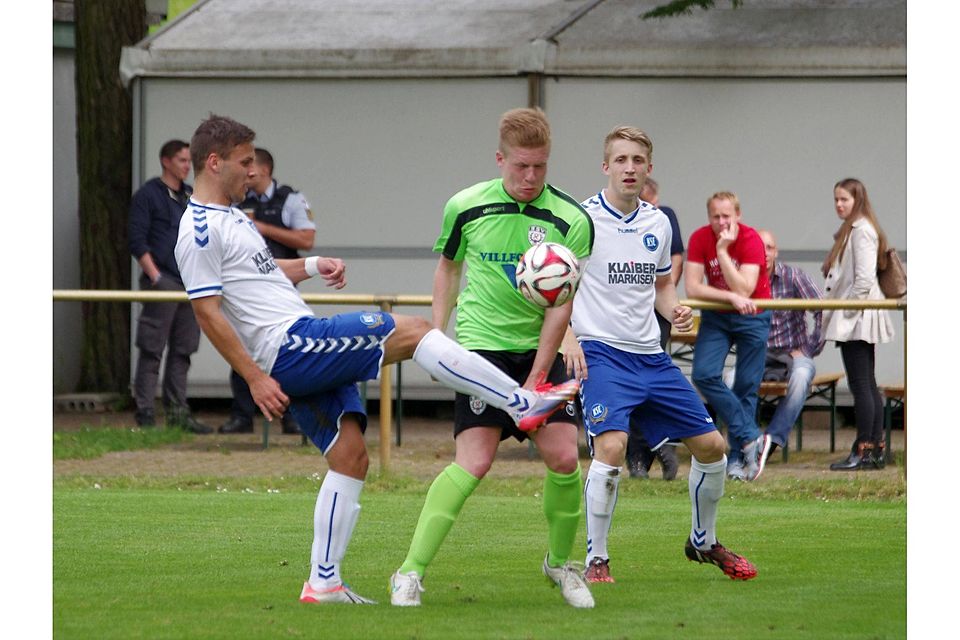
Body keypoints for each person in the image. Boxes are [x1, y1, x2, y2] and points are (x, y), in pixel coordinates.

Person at [174, 114, 579, 605]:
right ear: (213, 163)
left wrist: (310, 265)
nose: (253, 173)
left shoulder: (232, 217)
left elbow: (259, 273)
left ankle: (323, 583)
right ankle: (520, 403)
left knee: (350, 457)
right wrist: (255, 377)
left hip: (293, 348)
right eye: (244, 163)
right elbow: (207, 311)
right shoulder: (196, 230)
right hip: (291, 345)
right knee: (413, 331)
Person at [389, 107, 596, 609]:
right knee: (475, 462)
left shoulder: (571, 218)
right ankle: (409, 572)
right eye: (520, 166)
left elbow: (562, 303)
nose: (530, 178)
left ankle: (560, 565)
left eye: (540, 167)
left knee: (566, 457)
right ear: (500, 158)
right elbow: (447, 268)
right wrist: (438, 338)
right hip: (481, 350)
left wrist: (539, 374)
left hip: (538, 354)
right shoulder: (465, 206)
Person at [566, 125, 757, 584]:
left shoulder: (658, 221)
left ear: (649, 168)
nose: (629, 168)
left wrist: (677, 311)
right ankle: (597, 560)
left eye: (638, 161)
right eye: (621, 160)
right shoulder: (582, 219)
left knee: (713, 447)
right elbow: (560, 286)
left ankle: (703, 542)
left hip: (650, 356)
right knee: (610, 446)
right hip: (602, 352)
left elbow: (662, 288)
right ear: (605, 166)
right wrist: (567, 336)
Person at [219, 147, 317, 435]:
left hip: (280, 288)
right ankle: (242, 415)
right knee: (242, 346)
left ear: (264, 171)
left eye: (252, 169)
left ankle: (292, 416)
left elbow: (306, 239)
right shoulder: (236, 201)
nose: (247, 175)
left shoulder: (291, 200)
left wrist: (260, 227)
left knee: (287, 350)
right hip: (244, 290)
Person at [685, 191, 772, 481]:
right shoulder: (699, 238)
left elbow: (745, 289)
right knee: (704, 374)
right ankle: (751, 437)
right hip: (718, 316)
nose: (721, 222)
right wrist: (729, 298)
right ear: (709, 217)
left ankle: (738, 460)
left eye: (726, 216)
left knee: (746, 386)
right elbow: (694, 288)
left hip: (753, 314)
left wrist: (722, 251)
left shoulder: (750, 239)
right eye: (716, 217)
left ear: (738, 216)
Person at [128, 139, 212, 434]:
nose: (186, 166)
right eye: (181, 160)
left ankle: (178, 413)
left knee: (183, 350)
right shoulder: (148, 195)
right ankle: (146, 412)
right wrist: (155, 277)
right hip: (162, 281)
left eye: (189, 161)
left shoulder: (191, 196)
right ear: (166, 161)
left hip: (190, 284)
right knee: (152, 348)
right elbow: (137, 241)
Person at [723, 229, 825, 468]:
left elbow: (824, 309)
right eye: (759, 247)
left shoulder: (793, 276)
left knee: (801, 377)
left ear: (776, 251)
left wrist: (809, 348)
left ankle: (771, 441)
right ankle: (745, 443)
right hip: (756, 353)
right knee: (729, 380)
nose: (764, 253)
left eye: (769, 247)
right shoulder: (742, 280)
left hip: (793, 352)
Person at [822, 178, 894, 471]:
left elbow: (863, 280)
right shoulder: (855, 229)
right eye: (836, 200)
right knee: (866, 383)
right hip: (858, 315)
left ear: (857, 200)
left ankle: (866, 449)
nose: (839, 205)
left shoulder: (862, 231)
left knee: (861, 384)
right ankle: (872, 448)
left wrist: (846, 315)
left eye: (844, 200)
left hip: (858, 316)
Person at [624, 177, 682, 480]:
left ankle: (656, 446)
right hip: (624, 318)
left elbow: (671, 267)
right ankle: (643, 456)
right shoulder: (611, 222)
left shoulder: (663, 218)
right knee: (632, 387)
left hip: (655, 315)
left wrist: (671, 307)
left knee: (648, 385)